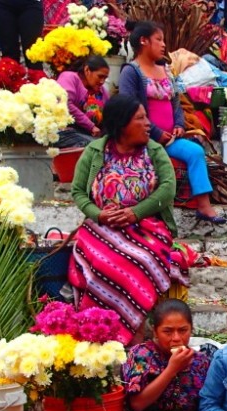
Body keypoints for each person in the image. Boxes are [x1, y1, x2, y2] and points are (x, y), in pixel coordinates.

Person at [69, 94, 186, 345]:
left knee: (141, 259)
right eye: (140, 118)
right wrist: (97, 213)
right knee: (98, 262)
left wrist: (136, 212)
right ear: (122, 124)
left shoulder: (154, 151)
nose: (148, 124)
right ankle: (97, 335)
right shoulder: (95, 151)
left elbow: (167, 188)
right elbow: (78, 191)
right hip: (100, 228)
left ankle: (135, 337)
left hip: (146, 227)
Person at [120, 22, 225, 224]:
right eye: (158, 40)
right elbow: (129, 109)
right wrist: (156, 133)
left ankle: (204, 206)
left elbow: (176, 101)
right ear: (143, 41)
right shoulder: (131, 72)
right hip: (143, 139)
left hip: (171, 138)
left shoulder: (166, 71)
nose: (163, 45)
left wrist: (179, 124)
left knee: (195, 152)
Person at [55, 55, 111, 148]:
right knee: (93, 146)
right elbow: (65, 104)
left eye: (105, 78)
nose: (102, 81)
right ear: (87, 70)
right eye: (100, 76)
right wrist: (91, 126)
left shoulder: (101, 91)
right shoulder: (69, 77)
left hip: (88, 134)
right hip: (66, 132)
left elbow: (110, 113)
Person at [0, 0, 43, 67]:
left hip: (31, 5)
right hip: (2, 5)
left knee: (33, 52)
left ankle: (36, 76)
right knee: (9, 56)